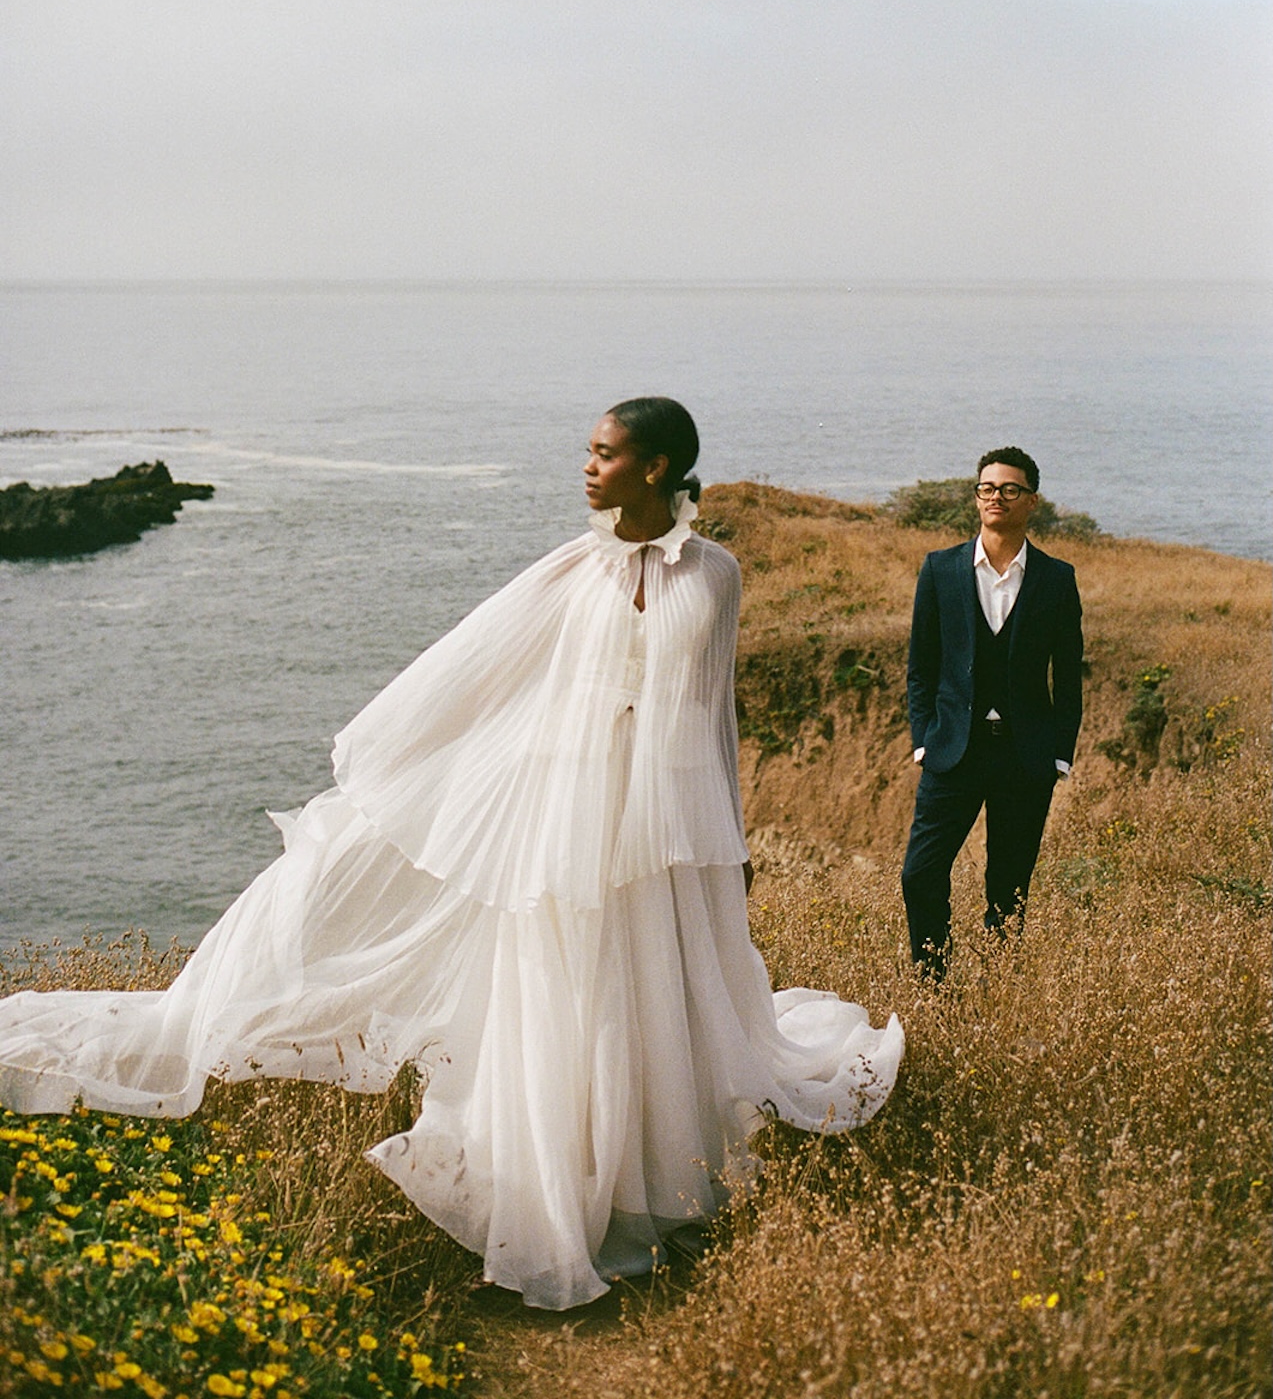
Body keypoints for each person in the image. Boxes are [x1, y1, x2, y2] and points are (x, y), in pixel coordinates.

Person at [0, 396, 903, 1311]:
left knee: (655, 988)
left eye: (604, 453)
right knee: (568, 990)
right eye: (588, 452)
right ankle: (559, 1183)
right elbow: (475, 679)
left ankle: (651, 1173)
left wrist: (721, 835)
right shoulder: (568, 572)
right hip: (565, 819)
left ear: (658, 468)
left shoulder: (717, 574)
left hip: (659, 829)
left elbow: (711, 719)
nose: (586, 467)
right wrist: (418, 776)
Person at [900, 446, 1083, 977]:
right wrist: (923, 739)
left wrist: (1060, 756)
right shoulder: (940, 569)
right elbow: (921, 666)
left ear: (1031, 501)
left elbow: (1068, 676)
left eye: (1008, 489)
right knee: (921, 873)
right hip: (953, 750)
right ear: (976, 496)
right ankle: (934, 982)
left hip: (1026, 757)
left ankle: (995, 988)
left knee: (1009, 888)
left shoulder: (1056, 578)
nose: (995, 497)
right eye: (986, 488)